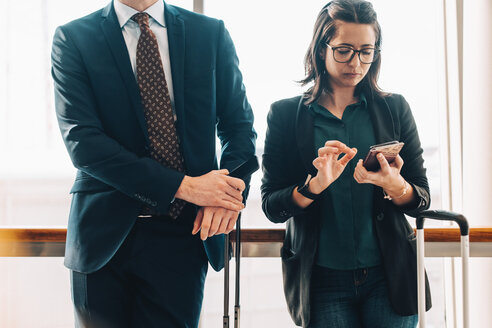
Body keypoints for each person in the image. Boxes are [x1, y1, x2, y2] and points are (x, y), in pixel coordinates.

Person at [51, 0, 256, 327]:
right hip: (103, 238)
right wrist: (186, 187)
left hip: (183, 235)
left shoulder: (209, 33)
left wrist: (225, 195)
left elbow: (239, 128)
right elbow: (83, 142)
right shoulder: (74, 37)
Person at [261, 1, 431, 327]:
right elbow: (271, 205)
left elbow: (421, 198)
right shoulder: (284, 115)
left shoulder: (394, 108)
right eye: (344, 50)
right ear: (320, 48)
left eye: (367, 51)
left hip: (391, 275)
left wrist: (395, 186)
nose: (356, 62)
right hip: (322, 281)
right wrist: (313, 187)